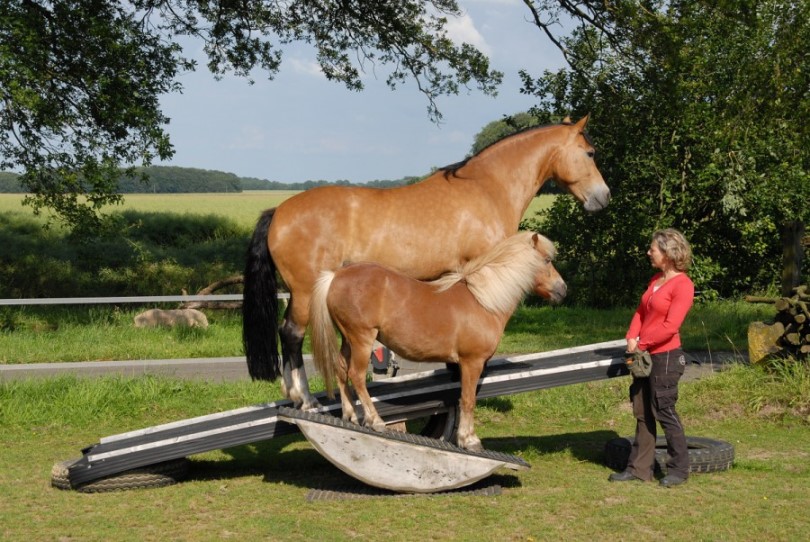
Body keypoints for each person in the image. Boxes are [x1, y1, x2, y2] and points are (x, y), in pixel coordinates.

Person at [609, 228, 695, 488]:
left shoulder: (683, 285)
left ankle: (679, 469)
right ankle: (638, 469)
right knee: (642, 412)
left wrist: (642, 344)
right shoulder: (655, 280)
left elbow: (670, 326)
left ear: (668, 253)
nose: (648, 252)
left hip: (665, 357)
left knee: (664, 410)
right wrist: (631, 336)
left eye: (653, 249)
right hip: (642, 355)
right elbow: (641, 311)